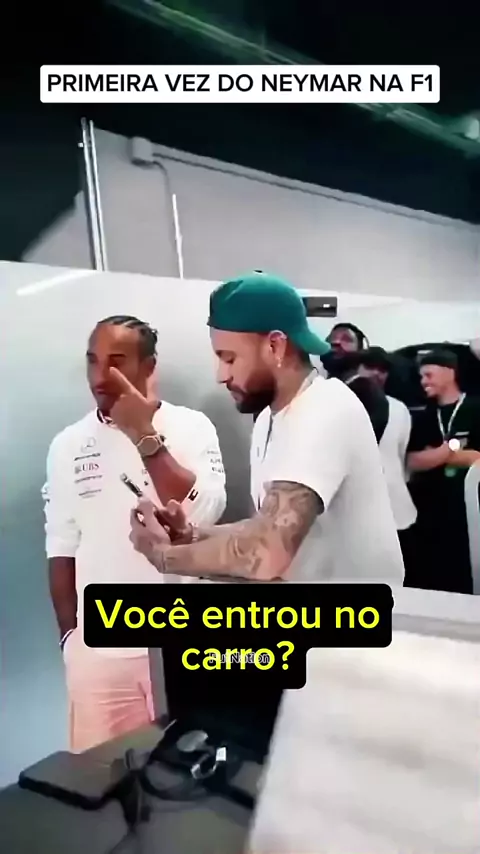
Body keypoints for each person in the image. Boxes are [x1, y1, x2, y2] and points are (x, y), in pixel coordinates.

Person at [129, 273, 405, 585]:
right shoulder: (267, 420)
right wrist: (191, 536)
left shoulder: (325, 408)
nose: (221, 375)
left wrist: (165, 557)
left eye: (229, 359)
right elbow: (266, 525)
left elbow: (266, 552)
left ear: (275, 346)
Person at [43, 315, 226, 752]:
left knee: (185, 772)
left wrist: (143, 434)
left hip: (184, 644)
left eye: (116, 361)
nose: (99, 376)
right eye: (93, 361)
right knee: (100, 777)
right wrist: (71, 639)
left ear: (149, 366)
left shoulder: (192, 427)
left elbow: (206, 509)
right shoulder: (68, 444)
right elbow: (61, 545)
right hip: (101, 658)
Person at [407, 349, 480, 593]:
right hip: (430, 511)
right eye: (421, 377)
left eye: (428, 375)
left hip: (470, 509)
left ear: (449, 372)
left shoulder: (475, 408)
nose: (423, 382)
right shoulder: (422, 417)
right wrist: (453, 449)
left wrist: (436, 454)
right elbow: (413, 462)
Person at [356, 347, 418, 573]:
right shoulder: (336, 404)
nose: (376, 373)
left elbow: (401, 456)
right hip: (352, 514)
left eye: (382, 369)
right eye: (369, 367)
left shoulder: (399, 409)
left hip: (396, 509)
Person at [323, 325, 389, 444]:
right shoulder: (316, 389)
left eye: (346, 339)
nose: (336, 342)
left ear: (360, 350)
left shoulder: (369, 393)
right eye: (331, 339)